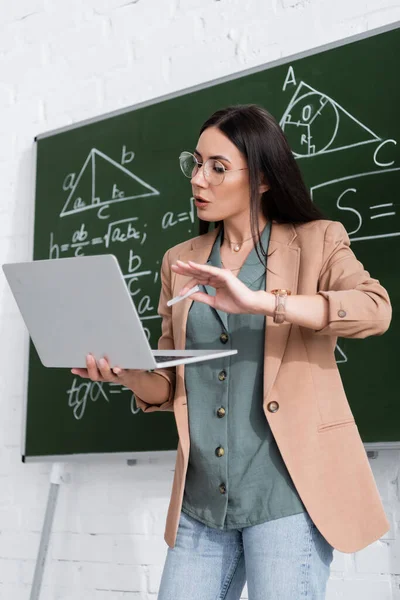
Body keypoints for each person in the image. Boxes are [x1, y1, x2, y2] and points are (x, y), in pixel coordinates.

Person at [72, 104, 392, 599]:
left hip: (287, 496)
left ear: (262, 178)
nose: (199, 179)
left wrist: (262, 301)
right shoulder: (179, 261)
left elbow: (375, 309)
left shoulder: (318, 240)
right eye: (196, 163)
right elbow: (169, 383)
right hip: (201, 502)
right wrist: (129, 373)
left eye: (218, 168)